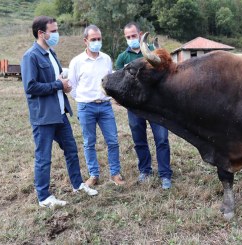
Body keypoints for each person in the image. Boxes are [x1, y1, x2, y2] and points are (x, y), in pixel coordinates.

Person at [21, 16, 98, 208]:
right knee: (43, 157)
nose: (56, 34)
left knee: (71, 150)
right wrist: (57, 85)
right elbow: (30, 87)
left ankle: (78, 184)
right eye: (53, 31)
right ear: (41, 33)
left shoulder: (51, 54)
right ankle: (44, 197)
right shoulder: (30, 56)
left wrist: (63, 84)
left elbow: (54, 80)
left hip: (60, 113)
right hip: (44, 117)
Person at [115, 22, 172, 189]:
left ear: (140, 35)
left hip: (155, 105)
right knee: (139, 140)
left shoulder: (154, 53)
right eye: (128, 37)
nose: (131, 39)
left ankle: (165, 174)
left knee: (161, 139)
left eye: (134, 35)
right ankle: (145, 170)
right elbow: (119, 83)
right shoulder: (122, 58)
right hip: (134, 107)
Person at [68, 25, 125, 186]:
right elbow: (72, 85)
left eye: (99, 39)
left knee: (113, 141)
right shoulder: (77, 62)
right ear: (85, 41)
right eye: (93, 39)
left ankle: (115, 173)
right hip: (86, 107)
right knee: (89, 142)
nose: (97, 42)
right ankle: (94, 175)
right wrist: (81, 99)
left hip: (105, 106)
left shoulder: (106, 59)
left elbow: (110, 82)